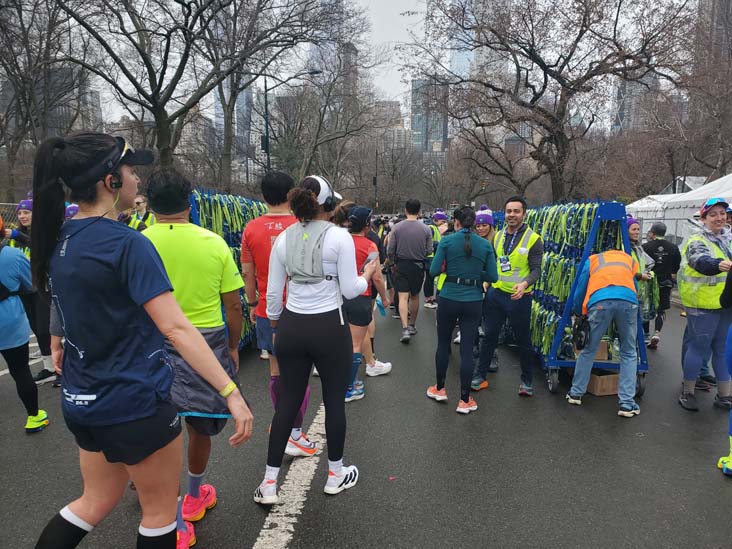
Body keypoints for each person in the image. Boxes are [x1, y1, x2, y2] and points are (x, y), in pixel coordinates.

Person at [30, 133, 252, 549]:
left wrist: (56, 342)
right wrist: (229, 391)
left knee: (93, 501)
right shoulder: (128, 243)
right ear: (110, 182)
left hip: (82, 401)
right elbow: (177, 328)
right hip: (136, 402)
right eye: (132, 172)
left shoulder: (58, 239)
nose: (137, 181)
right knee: (159, 511)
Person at [254, 175, 376, 505]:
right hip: (329, 326)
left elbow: (272, 296)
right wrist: (367, 275)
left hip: (292, 325)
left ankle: (268, 483)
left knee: (288, 403)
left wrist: (279, 324)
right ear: (328, 204)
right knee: (334, 401)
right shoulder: (340, 237)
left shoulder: (283, 239)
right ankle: (335, 474)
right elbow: (351, 290)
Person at [143, 167, 247, 543]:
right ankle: (192, 496)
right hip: (206, 341)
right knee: (199, 424)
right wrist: (233, 346)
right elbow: (233, 305)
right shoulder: (213, 243)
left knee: (158, 428)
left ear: (149, 205)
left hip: (150, 341)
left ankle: (170, 517)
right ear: (189, 201)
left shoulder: (136, 242)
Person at [241, 171, 318, 458]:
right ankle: (294, 433)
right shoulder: (305, 226)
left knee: (276, 372)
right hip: (304, 310)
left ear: (263, 196)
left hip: (266, 311)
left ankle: (282, 423)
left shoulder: (251, 229)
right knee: (301, 374)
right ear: (291, 195)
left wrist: (251, 304)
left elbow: (247, 272)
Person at [426, 206, 498, 414]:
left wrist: (451, 270)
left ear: (455, 222)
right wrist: (475, 275)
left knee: (442, 343)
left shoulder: (447, 241)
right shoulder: (485, 245)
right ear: (474, 223)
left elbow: (432, 270)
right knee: (467, 349)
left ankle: (439, 388)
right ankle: (465, 400)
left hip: (448, 296)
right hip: (473, 299)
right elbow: (493, 277)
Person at [473, 196, 544, 396]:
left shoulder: (534, 239)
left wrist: (525, 284)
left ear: (524, 214)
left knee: (523, 340)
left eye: (516, 211)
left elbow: (537, 270)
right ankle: (480, 375)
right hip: (496, 295)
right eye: (508, 211)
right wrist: (486, 281)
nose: (511, 215)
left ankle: (526, 381)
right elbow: (494, 262)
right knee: (489, 336)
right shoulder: (498, 236)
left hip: (519, 297)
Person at [565, 249, 642, 417]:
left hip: (600, 302)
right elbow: (634, 284)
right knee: (628, 352)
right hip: (628, 302)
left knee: (589, 349)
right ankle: (627, 404)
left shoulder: (593, 260)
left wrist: (579, 311)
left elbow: (581, 286)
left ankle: (576, 393)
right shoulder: (628, 259)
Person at [678, 197, 732, 412]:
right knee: (698, 347)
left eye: (722, 213)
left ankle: (725, 395)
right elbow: (699, 261)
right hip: (702, 303)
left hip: (726, 303)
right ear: (704, 218)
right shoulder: (696, 240)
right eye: (713, 214)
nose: (719, 218)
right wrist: (718, 264)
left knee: (721, 349)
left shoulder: (728, 239)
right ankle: (688, 392)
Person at [0, 214, 49, 433]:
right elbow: (31, 284)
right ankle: (34, 417)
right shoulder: (11, 254)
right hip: (8, 319)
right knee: (20, 371)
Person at [5, 198, 56, 384]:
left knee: (45, 329)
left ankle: (60, 365)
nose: (22, 216)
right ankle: (49, 367)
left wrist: (17, 235)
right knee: (36, 329)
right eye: (19, 213)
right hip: (25, 291)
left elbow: (39, 248)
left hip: (43, 288)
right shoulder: (14, 240)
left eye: (26, 212)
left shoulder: (41, 234)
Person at [343, 206, 391, 401]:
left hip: (337, 297)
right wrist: (385, 298)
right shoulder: (369, 246)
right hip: (360, 295)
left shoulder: (339, 241)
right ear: (367, 224)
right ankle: (350, 387)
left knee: (341, 341)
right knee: (355, 343)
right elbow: (377, 277)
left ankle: (340, 380)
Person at [386, 198, 433, 343]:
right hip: (418, 266)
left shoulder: (397, 228)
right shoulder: (426, 229)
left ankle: (404, 328)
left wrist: (392, 261)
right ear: (419, 211)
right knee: (414, 296)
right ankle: (412, 325)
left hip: (401, 265)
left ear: (406, 210)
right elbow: (429, 250)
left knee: (403, 297)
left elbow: (390, 250)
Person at [643, 221, 681, 350]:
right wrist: (672, 274)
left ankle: (646, 335)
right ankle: (657, 333)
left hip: (649, 282)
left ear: (652, 233)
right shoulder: (673, 247)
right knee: (661, 309)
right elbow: (676, 266)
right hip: (665, 282)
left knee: (646, 307)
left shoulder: (645, 247)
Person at [627, 217, 657, 344]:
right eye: (633, 229)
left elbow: (648, 263)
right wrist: (640, 276)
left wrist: (648, 273)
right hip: (628, 291)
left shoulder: (638, 248)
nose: (636, 232)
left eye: (638, 229)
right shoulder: (624, 248)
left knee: (637, 322)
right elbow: (624, 270)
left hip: (639, 291)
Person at [423, 210, 446, 309]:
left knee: (430, 279)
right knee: (429, 278)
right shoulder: (431, 228)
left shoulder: (435, 228)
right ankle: (428, 298)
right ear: (437, 220)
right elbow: (428, 242)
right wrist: (438, 245)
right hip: (430, 257)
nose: (444, 223)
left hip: (432, 256)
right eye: (443, 220)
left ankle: (430, 297)